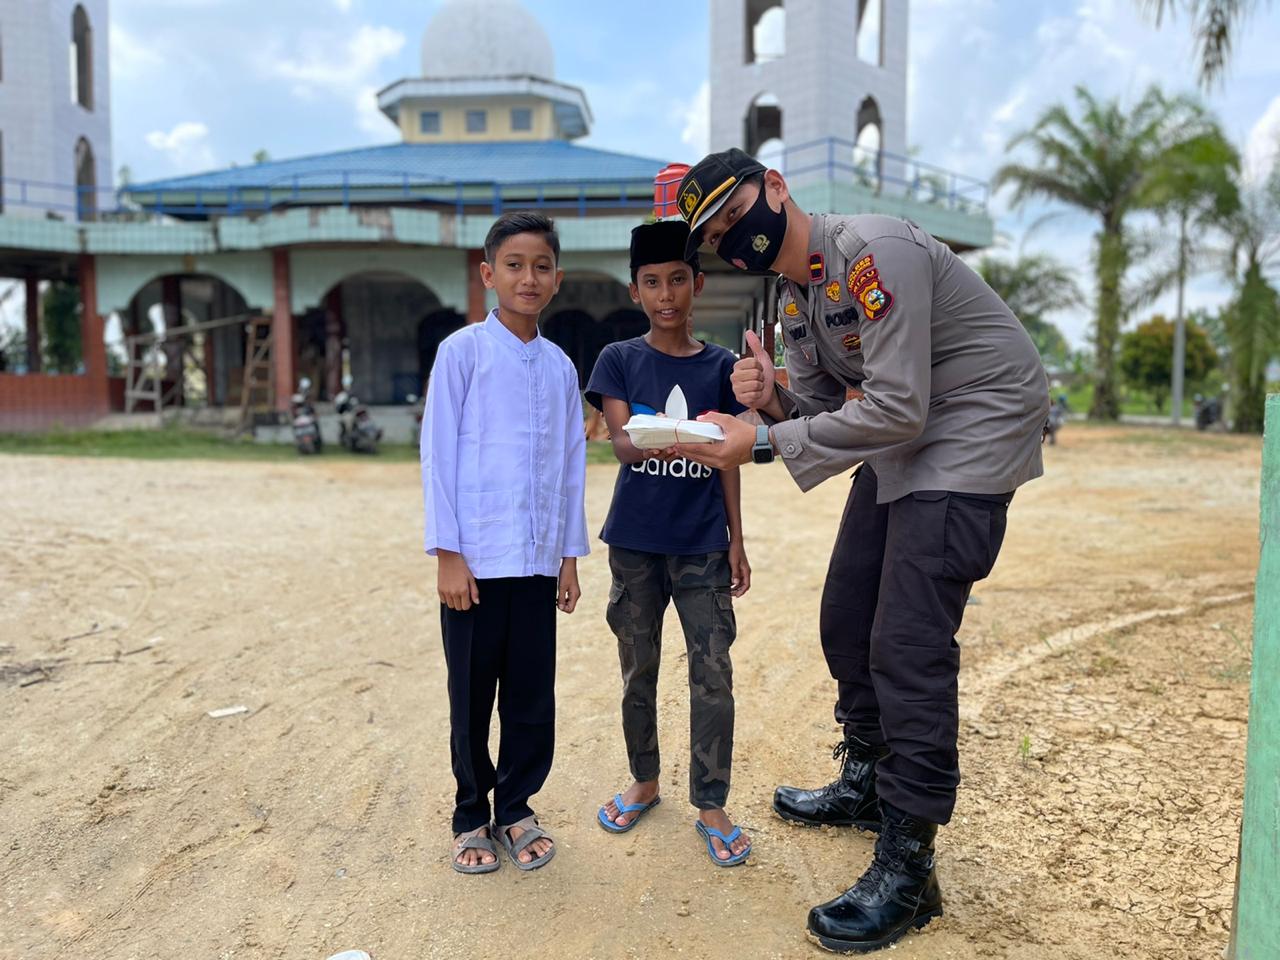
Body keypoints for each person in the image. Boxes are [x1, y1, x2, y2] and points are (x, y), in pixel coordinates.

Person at [670, 149, 1049, 951]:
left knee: (907, 640)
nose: (737, 241)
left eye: (740, 217)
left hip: (975, 420)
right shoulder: (799, 300)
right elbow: (820, 408)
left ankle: (910, 867)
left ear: (775, 187)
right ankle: (871, 782)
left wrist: (764, 440)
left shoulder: (876, 254)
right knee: (846, 615)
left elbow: (896, 407)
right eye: (718, 238)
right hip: (909, 430)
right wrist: (771, 393)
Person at [420, 211, 589, 875]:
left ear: (557, 280)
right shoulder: (462, 354)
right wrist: (449, 554)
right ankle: (470, 814)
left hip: (536, 562)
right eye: (513, 265)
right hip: (476, 563)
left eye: (541, 266)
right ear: (488, 275)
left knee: (529, 696)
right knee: (471, 695)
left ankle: (516, 807)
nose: (528, 277)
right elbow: (437, 455)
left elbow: (570, 465)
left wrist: (568, 556)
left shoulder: (559, 367)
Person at [584, 220, 753, 866]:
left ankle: (711, 802)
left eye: (677, 280)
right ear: (635, 291)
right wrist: (686, 437)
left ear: (698, 285)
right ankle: (645, 780)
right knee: (638, 669)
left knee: (714, 673)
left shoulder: (722, 369)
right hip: (635, 544)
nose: (666, 295)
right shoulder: (619, 360)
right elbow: (625, 443)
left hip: (704, 543)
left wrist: (738, 538)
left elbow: (731, 458)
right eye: (652, 282)